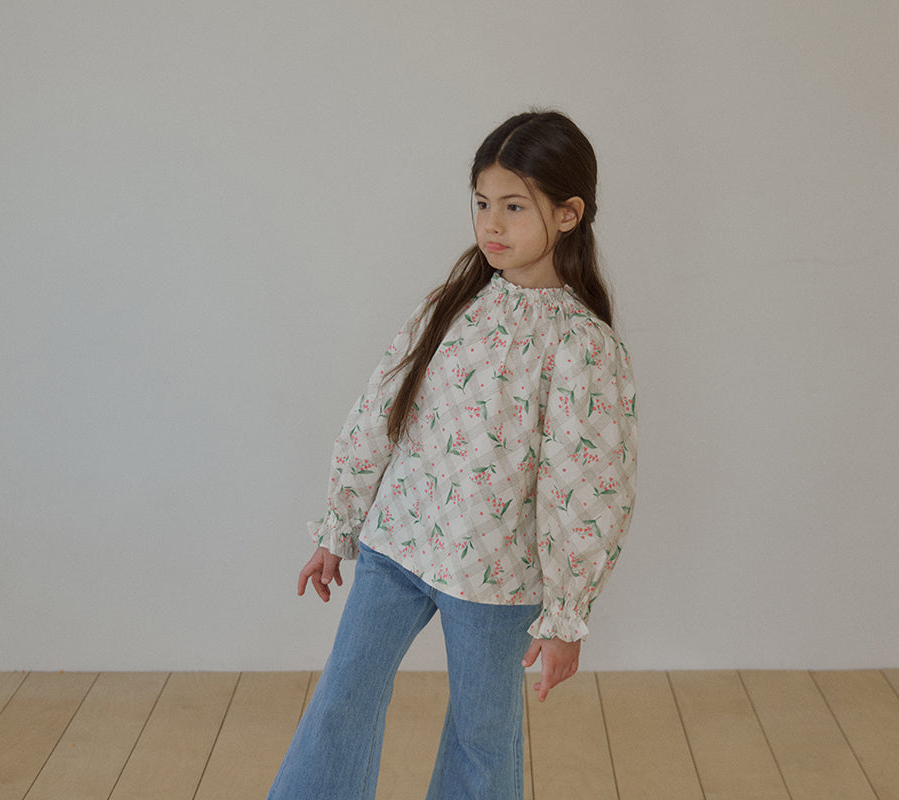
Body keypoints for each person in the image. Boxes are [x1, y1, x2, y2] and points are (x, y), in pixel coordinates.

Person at [267, 110, 637, 800]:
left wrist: (566, 615)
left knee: (481, 737)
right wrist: (338, 526)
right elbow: (380, 410)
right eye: (482, 203)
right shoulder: (454, 304)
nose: (491, 224)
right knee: (341, 699)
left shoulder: (582, 346)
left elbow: (588, 488)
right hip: (397, 543)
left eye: (514, 206)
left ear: (568, 214)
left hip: (495, 577)